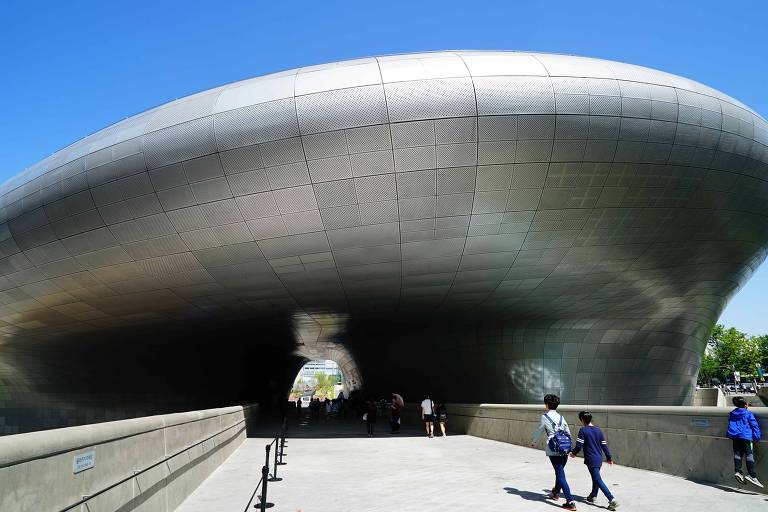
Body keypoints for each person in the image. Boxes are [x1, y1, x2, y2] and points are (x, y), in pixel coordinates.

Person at [531, 394, 577, 511]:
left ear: (546, 404)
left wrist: (533, 441)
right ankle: (556, 493)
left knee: (560, 474)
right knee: (559, 471)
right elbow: (568, 432)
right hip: (565, 447)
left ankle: (570, 501)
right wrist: (570, 448)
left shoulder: (545, 417)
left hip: (554, 448)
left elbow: (540, 429)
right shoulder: (561, 417)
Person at [570, 411, 619, 510]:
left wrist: (573, 453)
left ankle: (611, 499)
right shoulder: (598, 430)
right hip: (599, 459)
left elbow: (579, 446)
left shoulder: (583, 430)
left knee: (597, 479)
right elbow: (604, 446)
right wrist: (609, 458)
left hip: (591, 459)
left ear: (582, 420)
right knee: (595, 477)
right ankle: (593, 495)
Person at [727, 396, 763, 487]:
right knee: (749, 455)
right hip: (746, 437)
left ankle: (738, 471)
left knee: (737, 454)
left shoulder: (732, 413)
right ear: (745, 405)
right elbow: (754, 426)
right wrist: (757, 437)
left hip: (735, 436)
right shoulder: (748, 413)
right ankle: (751, 475)